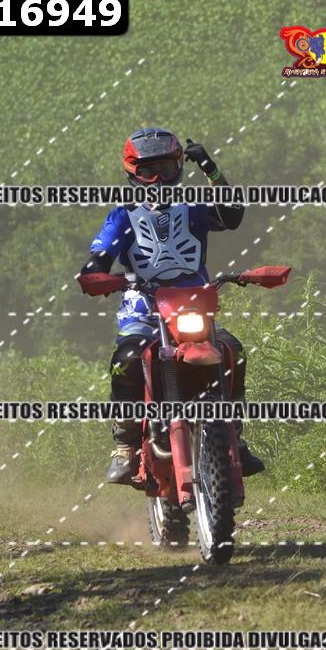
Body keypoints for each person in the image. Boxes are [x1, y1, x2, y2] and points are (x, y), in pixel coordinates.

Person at [80, 127, 265, 485]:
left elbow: (232, 215)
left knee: (234, 350)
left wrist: (211, 168)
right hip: (143, 307)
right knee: (128, 357)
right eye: (148, 171)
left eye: (165, 169)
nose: (158, 179)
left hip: (194, 305)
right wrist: (95, 271)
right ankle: (125, 445)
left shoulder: (193, 209)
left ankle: (234, 435)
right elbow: (100, 254)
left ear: (179, 167)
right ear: (133, 173)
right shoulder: (122, 216)